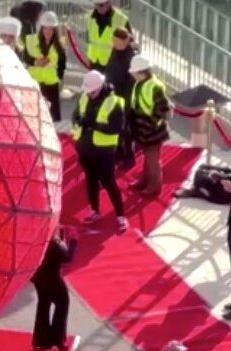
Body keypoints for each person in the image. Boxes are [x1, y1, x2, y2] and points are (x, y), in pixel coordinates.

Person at [73, 70, 127, 232]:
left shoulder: (115, 102)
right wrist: (79, 120)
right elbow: (75, 115)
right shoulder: (84, 96)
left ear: (101, 86)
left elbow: (117, 128)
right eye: (88, 92)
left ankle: (120, 215)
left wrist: (94, 124)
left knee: (109, 182)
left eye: (93, 92)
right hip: (85, 147)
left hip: (103, 150)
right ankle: (94, 210)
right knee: (90, 180)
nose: (89, 95)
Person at [127, 55, 171, 196]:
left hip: (152, 130)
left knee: (153, 160)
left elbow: (162, 109)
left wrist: (149, 123)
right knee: (148, 157)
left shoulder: (154, 86)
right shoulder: (141, 83)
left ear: (141, 72)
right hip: (143, 128)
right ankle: (144, 181)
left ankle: (154, 188)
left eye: (134, 72)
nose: (132, 74)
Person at [32, 227, 77, 351]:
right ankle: (57, 339)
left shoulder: (40, 238)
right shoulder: (54, 243)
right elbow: (67, 257)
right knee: (62, 303)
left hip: (38, 277)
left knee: (43, 305)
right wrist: (73, 242)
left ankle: (41, 340)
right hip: (52, 279)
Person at [104, 29, 139, 168]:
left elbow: (131, 81)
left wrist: (122, 98)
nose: (114, 43)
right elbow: (110, 68)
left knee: (125, 128)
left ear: (125, 41)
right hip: (114, 93)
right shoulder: (115, 51)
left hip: (125, 96)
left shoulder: (131, 56)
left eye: (117, 41)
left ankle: (129, 156)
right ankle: (118, 151)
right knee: (115, 125)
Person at [23, 11, 67, 122]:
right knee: (32, 115)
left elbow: (62, 63)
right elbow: (25, 57)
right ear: (41, 28)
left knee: (50, 118)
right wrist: (35, 62)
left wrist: (58, 77)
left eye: (51, 29)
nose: (48, 32)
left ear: (55, 30)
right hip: (35, 82)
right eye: (45, 28)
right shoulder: (31, 40)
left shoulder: (59, 44)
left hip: (51, 84)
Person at [85, 0, 130, 71]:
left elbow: (129, 44)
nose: (98, 7)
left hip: (113, 65)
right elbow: (90, 39)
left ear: (109, 2)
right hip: (94, 63)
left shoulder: (121, 19)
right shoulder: (90, 17)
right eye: (96, 4)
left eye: (101, 5)